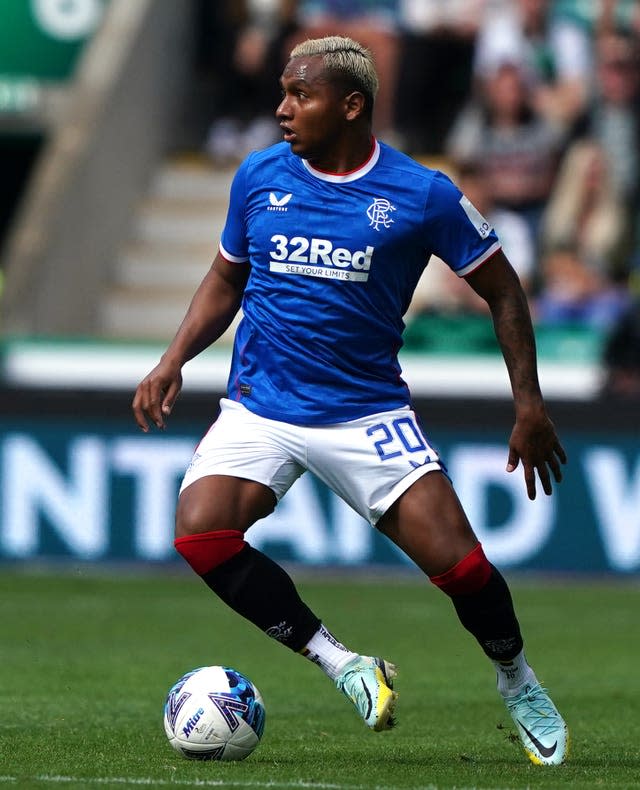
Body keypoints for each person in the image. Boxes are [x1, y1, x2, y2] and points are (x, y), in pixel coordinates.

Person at [133, 35, 569, 766]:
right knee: (201, 534)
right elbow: (226, 277)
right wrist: (175, 358)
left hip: (366, 415)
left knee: (462, 570)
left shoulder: (420, 194)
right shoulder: (259, 177)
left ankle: (517, 680)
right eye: (282, 92)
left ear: (351, 106)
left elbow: (503, 289)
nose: (281, 110)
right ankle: (344, 664)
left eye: (299, 95)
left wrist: (529, 404)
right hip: (260, 406)